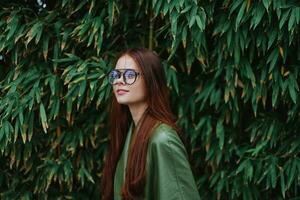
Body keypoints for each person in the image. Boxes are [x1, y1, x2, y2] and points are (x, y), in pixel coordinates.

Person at [100, 48, 200, 200]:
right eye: (116, 75)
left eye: (129, 75)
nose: (119, 81)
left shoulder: (163, 140)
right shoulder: (130, 129)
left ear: (150, 80)